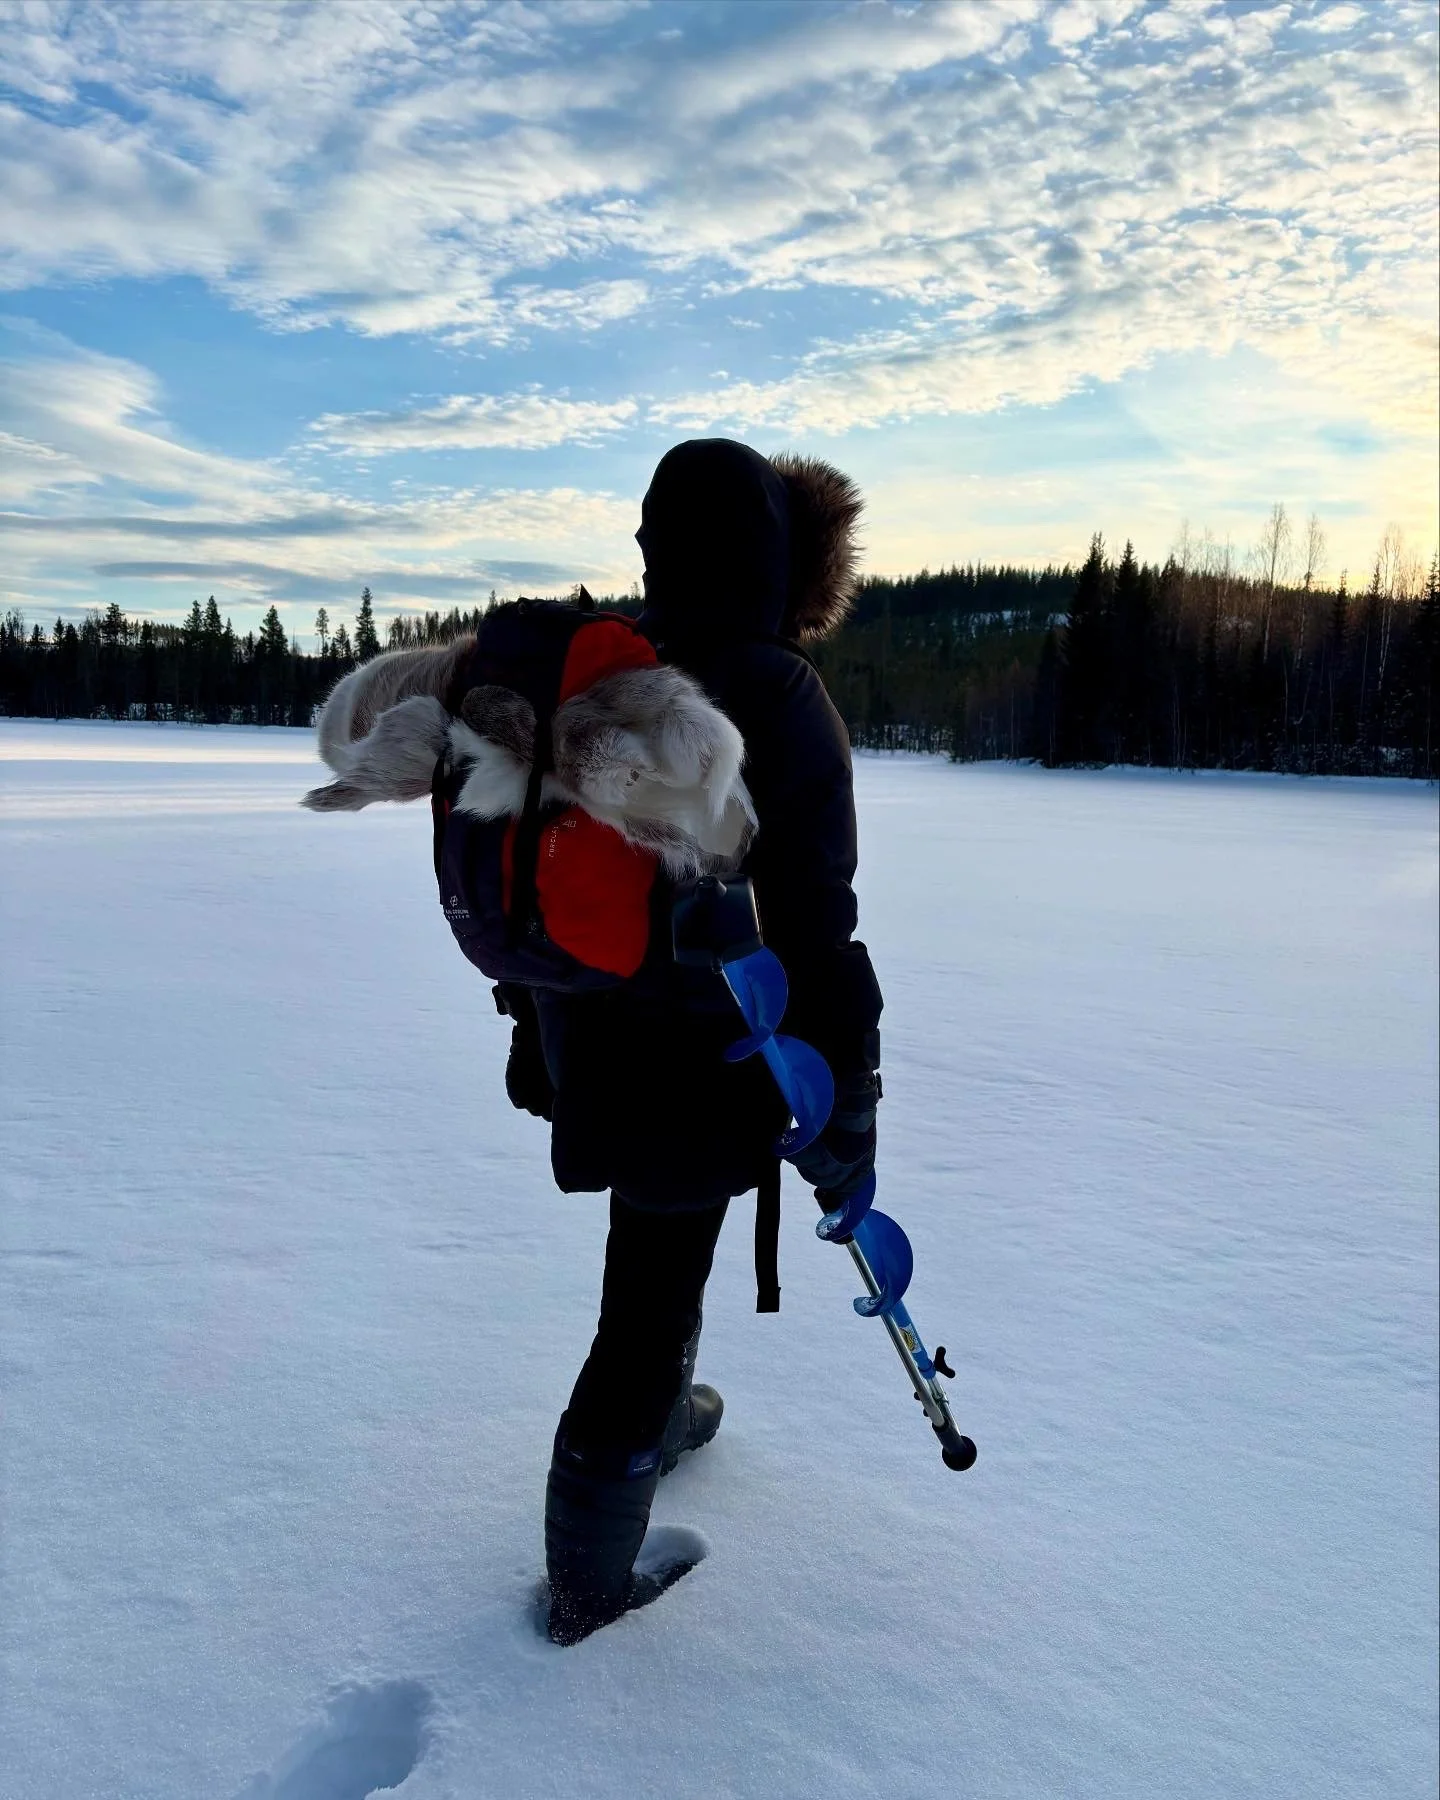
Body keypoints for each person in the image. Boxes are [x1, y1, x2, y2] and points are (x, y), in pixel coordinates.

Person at [498, 438, 886, 1645]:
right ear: (779, 560)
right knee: (651, 1298)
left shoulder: (610, 670)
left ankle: (656, 1422)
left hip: (589, 1037)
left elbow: (534, 865)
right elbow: (819, 933)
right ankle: (586, 1587)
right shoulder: (774, 695)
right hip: (706, 1060)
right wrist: (849, 1115)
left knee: (653, 1254)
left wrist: (530, 1026)